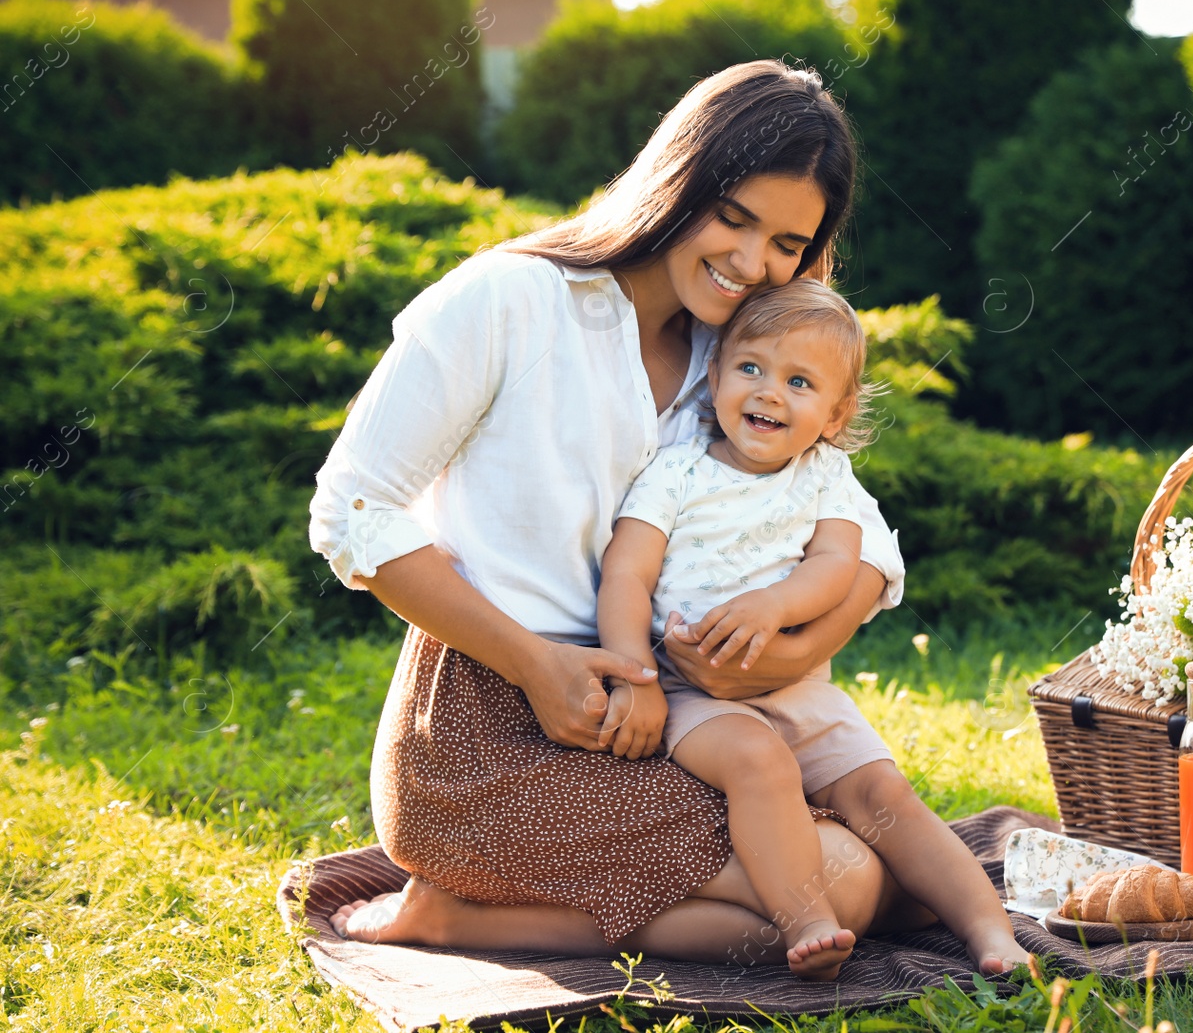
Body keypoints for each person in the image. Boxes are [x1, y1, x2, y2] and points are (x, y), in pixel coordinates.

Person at [309, 60, 937, 961]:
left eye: (788, 244)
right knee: (843, 883)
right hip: (486, 732)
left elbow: (858, 528)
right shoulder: (508, 299)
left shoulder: (742, 350)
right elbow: (352, 509)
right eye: (735, 217)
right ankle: (450, 911)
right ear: (677, 178)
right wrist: (535, 665)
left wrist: (804, 641)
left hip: (662, 719)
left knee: (848, 881)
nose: (754, 263)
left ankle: (468, 917)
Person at [597, 279, 1032, 979]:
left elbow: (837, 563)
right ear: (713, 376)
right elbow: (626, 574)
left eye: (799, 381)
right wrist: (633, 674)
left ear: (837, 412)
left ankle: (990, 927)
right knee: (755, 758)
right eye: (751, 368)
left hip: (801, 689)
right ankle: (810, 923)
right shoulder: (673, 473)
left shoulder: (826, 475)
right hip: (693, 691)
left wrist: (771, 605)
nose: (770, 392)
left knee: (885, 795)